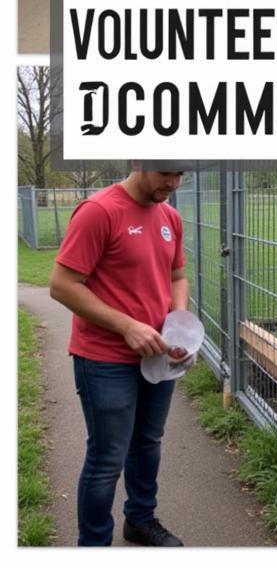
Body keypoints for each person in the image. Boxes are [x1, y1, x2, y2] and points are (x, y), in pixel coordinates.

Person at [49, 163, 191, 546]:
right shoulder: (99, 211)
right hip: (104, 359)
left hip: (158, 356)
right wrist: (126, 325)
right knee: (107, 458)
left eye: (180, 175)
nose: (173, 183)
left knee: (148, 442)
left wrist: (177, 322)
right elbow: (62, 285)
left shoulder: (170, 217)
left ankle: (140, 520)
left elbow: (177, 276)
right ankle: (94, 544)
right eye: (165, 173)